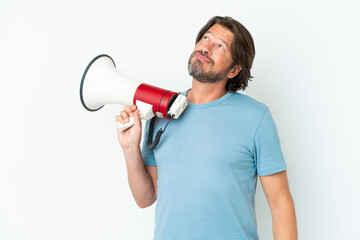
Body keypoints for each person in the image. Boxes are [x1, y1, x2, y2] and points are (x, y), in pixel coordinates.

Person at [116, 16, 297, 240]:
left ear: (234, 70)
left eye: (220, 46)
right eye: (205, 38)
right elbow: (145, 198)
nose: (206, 47)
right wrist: (130, 148)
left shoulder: (256, 118)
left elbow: (281, 204)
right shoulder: (161, 113)